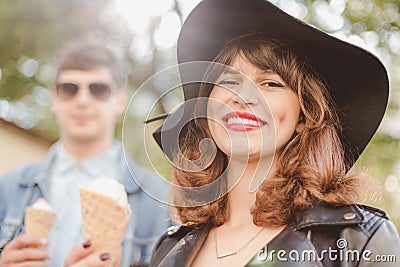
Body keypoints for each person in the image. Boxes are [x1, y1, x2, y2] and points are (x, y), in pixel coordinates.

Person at [148, 0, 400, 266]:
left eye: (270, 83)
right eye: (229, 81)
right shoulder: (168, 248)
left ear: (304, 116)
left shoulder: (361, 240)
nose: (243, 97)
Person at [0, 41, 170, 266]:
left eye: (98, 89)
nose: (82, 100)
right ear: (54, 98)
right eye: (69, 88)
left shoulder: (160, 199)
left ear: (120, 100)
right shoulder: (9, 187)